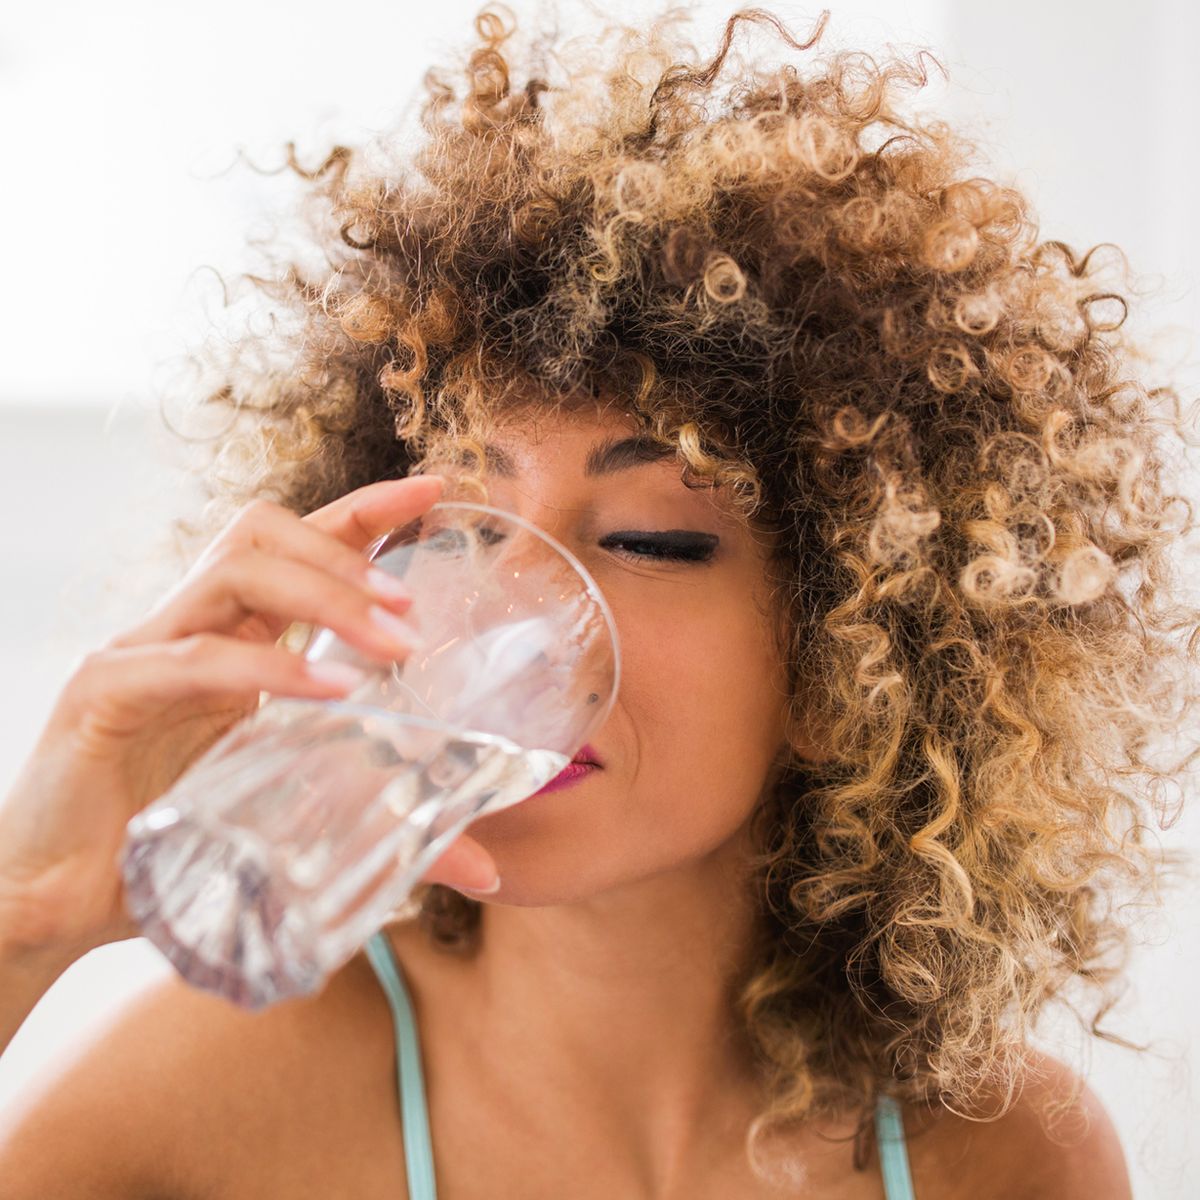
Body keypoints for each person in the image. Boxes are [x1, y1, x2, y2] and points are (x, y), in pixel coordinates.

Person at [0, 5, 1189, 1195]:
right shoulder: (217, 1102)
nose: (511, 614)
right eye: (463, 527)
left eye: (649, 541)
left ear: (845, 669)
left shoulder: (1002, 1153)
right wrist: (21, 919)